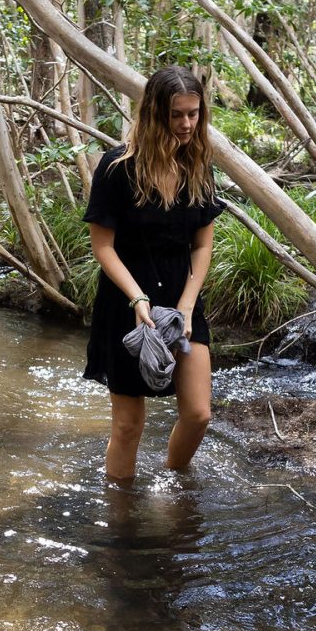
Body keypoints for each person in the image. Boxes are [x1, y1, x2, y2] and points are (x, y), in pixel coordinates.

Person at [84, 65, 221, 484]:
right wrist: (138, 298)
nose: (186, 124)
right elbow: (103, 246)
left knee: (198, 414)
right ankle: (121, 510)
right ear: (154, 114)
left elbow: (202, 245)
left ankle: (172, 485)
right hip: (126, 302)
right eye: (176, 115)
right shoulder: (116, 168)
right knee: (128, 426)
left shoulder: (198, 166)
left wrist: (187, 305)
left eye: (193, 114)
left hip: (182, 301)